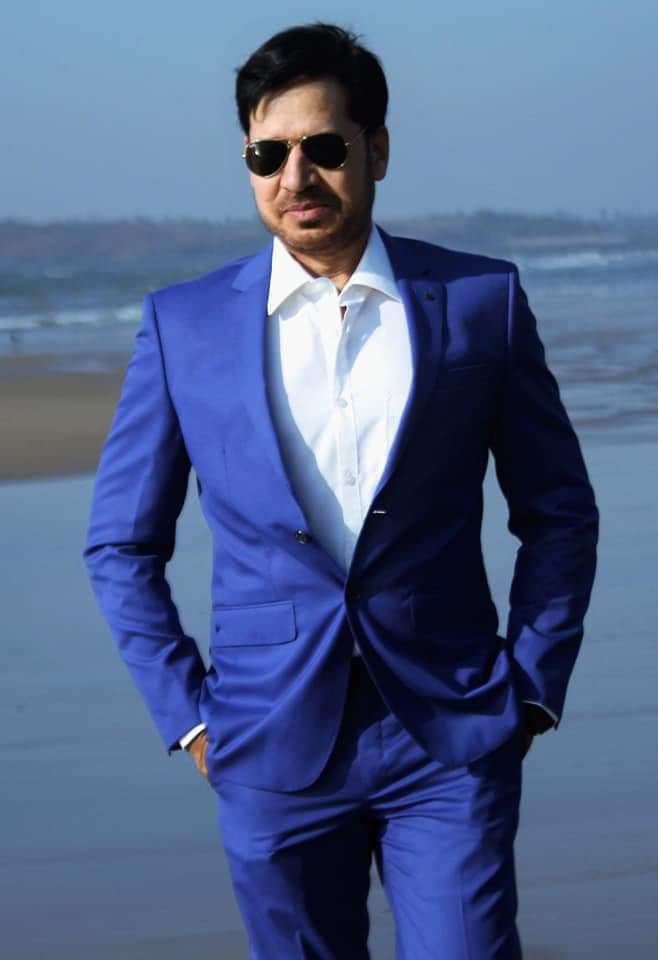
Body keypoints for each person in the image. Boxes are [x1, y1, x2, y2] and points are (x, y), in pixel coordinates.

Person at [84, 22, 598, 959]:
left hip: (450, 733)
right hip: (265, 741)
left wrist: (530, 689)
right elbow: (121, 543)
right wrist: (188, 716)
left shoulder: (480, 301)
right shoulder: (182, 326)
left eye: (323, 147)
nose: (296, 177)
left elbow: (559, 511)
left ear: (377, 150)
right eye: (267, 154)